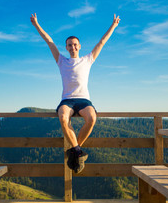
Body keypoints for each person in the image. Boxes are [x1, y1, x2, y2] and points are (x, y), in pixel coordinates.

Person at [30, 13, 120, 173]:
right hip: (67, 100)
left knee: (92, 119)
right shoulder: (61, 60)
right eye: (69, 45)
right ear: (66, 47)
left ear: (80, 46)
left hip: (84, 100)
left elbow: (102, 42)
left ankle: (74, 150)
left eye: (75, 44)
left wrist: (113, 25)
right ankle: (77, 150)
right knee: (63, 118)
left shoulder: (88, 59)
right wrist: (36, 24)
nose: (73, 47)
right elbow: (49, 41)